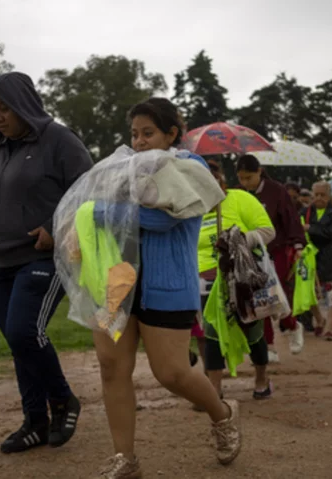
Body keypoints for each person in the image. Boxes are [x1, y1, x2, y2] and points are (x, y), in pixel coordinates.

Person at [91, 98, 241, 478]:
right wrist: (109, 210)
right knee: (111, 367)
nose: (139, 142)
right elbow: (93, 210)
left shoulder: (191, 168)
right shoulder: (122, 168)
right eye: (134, 134)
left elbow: (160, 222)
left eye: (148, 133)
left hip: (167, 285)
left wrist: (110, 210)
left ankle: (222, 415)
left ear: (171, 134)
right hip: (118, 283)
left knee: (171, 373)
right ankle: (125, 459)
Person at [0, 72, 93, 454]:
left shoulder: (59, 140)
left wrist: (51, 228)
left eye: (4, 108)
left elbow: (88, 192)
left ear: (24, 104)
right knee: (20, 345)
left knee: (23, 333)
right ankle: (35, 422)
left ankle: (63, 400)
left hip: (40, 258)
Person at [199, 160, 276, 400]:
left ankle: (262, 377)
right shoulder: (190, 209)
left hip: (242, 279)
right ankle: (214, 391)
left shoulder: (242, 199)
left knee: (253, 332)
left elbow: (267, 231)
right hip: (206, 282)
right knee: (212, 333)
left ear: (221, 181)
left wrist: (239, 239)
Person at [237, 155, 306, 360]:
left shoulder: (277, 191)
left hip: (277, 250)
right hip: (250, 252)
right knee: (259, 297)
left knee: (277, 295)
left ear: (259, 171)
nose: (245, 183)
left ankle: (293, 325)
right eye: (241, 178)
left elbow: (291, 219)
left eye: (249, 177)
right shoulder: (239, 194)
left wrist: (298, 245)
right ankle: (268, 345)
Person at [300, 182, 332, 340]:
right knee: (309, 293)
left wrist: (309, 228)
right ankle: (319, 319)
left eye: (322, 195)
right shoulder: (305, 211)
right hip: (309, 257)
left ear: (329, 195)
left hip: (329, 256)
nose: (318, 198)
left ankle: (330, 328)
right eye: (316, 195)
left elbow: (330, 233)